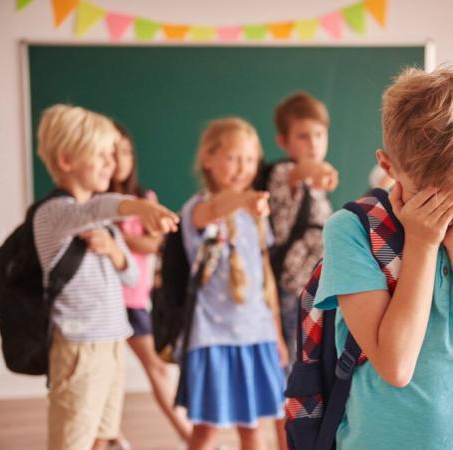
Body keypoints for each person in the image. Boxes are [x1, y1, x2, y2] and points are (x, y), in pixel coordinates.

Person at [313, 68, 453, 449]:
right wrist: (421, 244)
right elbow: (396, 365)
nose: (448, 206)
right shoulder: (351, 230)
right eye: (428, 193)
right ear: (388, 166)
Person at [33, 104, 178, 450]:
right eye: (101, 155)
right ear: (67, 160)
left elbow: (129, 276)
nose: (111, 164)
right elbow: (92, 209)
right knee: (72, 439)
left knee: (103, 434)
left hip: (112, 344)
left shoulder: (101, 224)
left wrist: (115, 252)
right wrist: (138, 206)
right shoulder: (55, 214)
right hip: (79, 349)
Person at [175, 117, 288, 450]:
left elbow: (265, 279)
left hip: (257, 335)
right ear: (208, 159)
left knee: (252, 430)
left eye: (250, 159)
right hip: (213, 337)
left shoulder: (253, 214)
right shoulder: (197, 209)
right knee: (206, 431)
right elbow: (213, 210)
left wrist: (277, 334)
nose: (243, 167)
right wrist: (244, 200)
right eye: (233, 157)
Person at [107, 121, 192, 448]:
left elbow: (155, 242)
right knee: (112, 372)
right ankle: (112, 435)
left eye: (126, 151)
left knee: (155, 368)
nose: (119, 159)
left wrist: (116, 238)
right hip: (104, 301)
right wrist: (131, 240)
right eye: (112, 152)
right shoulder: (92, 202)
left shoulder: (144, 198)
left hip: (135, 298)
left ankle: (189, 436)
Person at [264, 92, 337, 373]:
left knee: (313, 370)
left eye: (320, 134)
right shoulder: (284, 173)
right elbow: (299, 170)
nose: (314, 144)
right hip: (293, 292)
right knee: (296, 373)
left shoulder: (316, 187)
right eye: (303, 136)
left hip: (317, 291)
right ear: (284, 141)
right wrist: (319, 168)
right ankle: (290, 418)